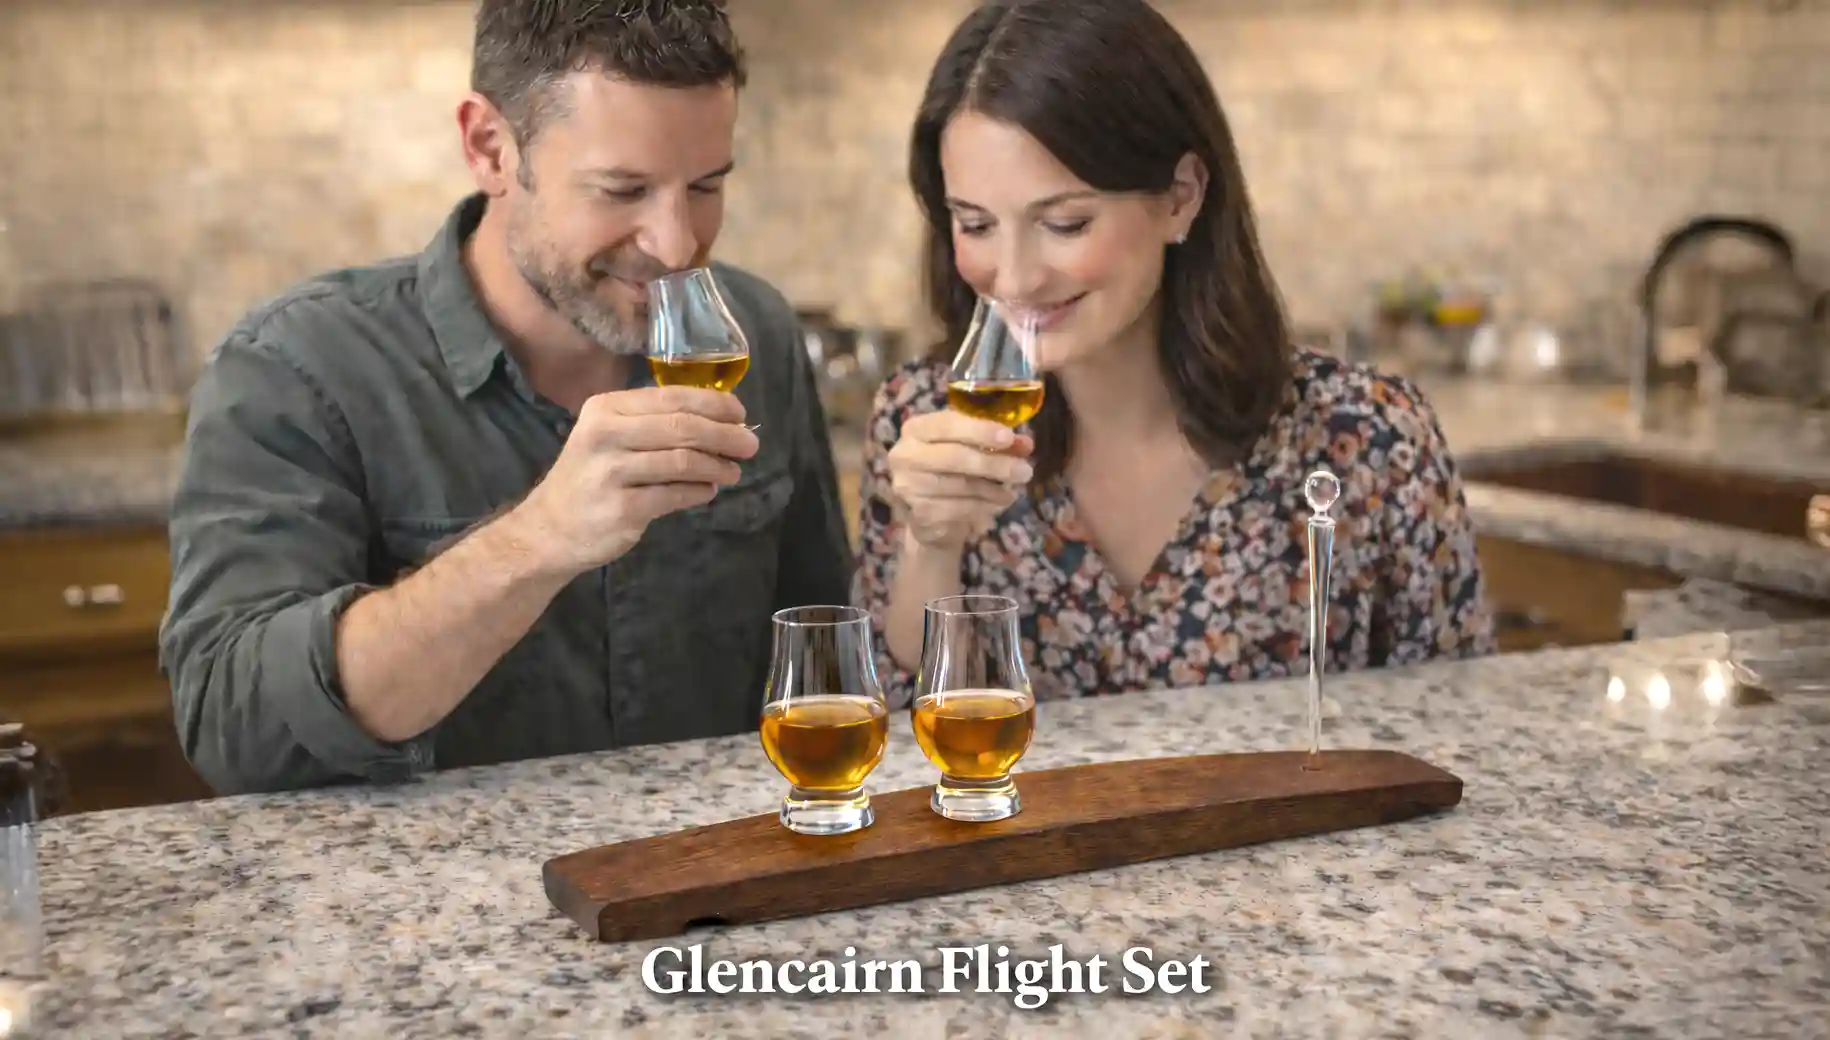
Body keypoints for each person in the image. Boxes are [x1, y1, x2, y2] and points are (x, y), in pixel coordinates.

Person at [160, 0, 852, 795]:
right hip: (426, 907)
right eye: (621, 190)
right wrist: (539, 539)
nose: (677, 245)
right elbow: (234, 731)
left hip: (714, 886)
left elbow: (823, 654)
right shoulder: (298, 369)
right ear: (490, 148)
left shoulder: (753, 331)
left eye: (705, 186)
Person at [853, 0, 1496, 705]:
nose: (1014, 278)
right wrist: (932, 546)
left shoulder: (1370, 439)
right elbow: (901, 719)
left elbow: (1455, 724)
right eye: (974, 224)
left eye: (1064, 223)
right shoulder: (919, 420)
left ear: (1182, 197)